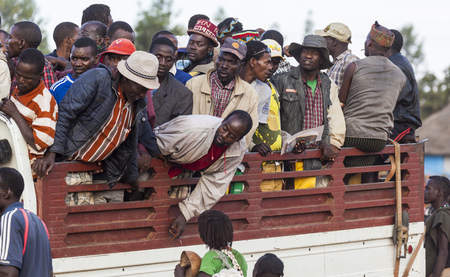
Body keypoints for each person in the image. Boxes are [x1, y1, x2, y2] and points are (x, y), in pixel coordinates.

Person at [33, 51, 161, 204]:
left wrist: (158, 155)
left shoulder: (137, 101)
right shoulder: (98, 79)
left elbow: (137, 134)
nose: (142, 94)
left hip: (97, 169)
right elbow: (65, 113)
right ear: (127, 78)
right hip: (70, 162)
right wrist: (52, 153)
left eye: (146, 90)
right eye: (140, 88)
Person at [160, 111, 252, 239]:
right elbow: (157, 138)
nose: (224, 135)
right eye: (224, 128)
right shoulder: (193, 128)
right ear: (223, 120)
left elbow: (215, 184)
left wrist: (185, 215)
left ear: (239, 139)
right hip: (160, 163)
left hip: (186, 171)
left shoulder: (238, 150)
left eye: (231, 136)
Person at [270, 35, 345, 189]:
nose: (309, 56)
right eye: (305, 51)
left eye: (314, 53)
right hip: (288, 158)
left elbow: (332, 118)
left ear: (322, 60)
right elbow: (272, 119)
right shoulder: (281, 81)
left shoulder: (327, 84)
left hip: (316, 158)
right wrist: (286, 144)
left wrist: (331, 143)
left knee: (311, 204)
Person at [339, 22, 405, 182]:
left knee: (335, 163)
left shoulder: (355, 66)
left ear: (369, 42)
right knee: (354, 167)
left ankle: (344, 182)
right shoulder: (400, 74)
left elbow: (340, 103)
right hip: (379, 140)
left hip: (351, 136)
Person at [187, 37, 258, 146]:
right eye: (222, 59)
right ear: (216, 60)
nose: (224, 66)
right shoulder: (193, 84)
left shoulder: (250, 93)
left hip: (227, 154)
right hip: (194, 148)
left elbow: (248, 133)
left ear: (241, 66)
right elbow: (184, 122)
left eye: (231, 62)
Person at [0, 49, 57, 167]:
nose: (20, 81)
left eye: (27, 78)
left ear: (40, 76)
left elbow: (39, 144)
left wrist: (14, 113)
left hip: (26, 166)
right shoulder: (19, 90)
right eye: (18, 74)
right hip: (12, 158)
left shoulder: (44, 102)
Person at [243, 40, 283, 192]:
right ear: (253, 62)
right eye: (267, 62)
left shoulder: (265, 90)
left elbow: (254, 127)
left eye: (274, 63)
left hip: (257, 161)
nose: (271, 68)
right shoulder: (230, 83)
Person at [0, 167, 52, 277]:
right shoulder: (38, 221)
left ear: (6, 193)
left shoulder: (9, 218)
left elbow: (9, 273)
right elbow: (49, 273)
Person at [385, 29, 422, 143]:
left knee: (370, 153)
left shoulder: (396, 65)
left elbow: (394, 96)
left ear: (388, 43)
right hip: (397, 121)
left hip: (401, 124)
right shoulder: (396, 61)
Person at [149, 37, 193, 127]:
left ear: (173, 61)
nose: (163, 63)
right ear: (149, 56)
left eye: (168, 60)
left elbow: (177, 132)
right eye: (158, 57)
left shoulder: (182, 94)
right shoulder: (133, 81)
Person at [6, 21, 57, 92]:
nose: (6, 41)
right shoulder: (12, 62)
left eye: (10, 37)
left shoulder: (42, 67)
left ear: (21, 43)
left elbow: (47, 99)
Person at [50, 37, 99, 104]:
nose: (78, 64)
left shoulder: (102, 85)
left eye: (84, 59)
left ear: (96, 59)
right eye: (74, 58)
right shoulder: (58, 89)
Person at [314, 22, 359, 89]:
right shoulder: (336, 63)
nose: (321, 43)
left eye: (324, 39)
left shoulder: (350, 61)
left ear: (334, 41)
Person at [424, 176, 450, 277]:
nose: (424, 191)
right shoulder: (439, 213)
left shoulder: (442, 215)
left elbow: (443, 253)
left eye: (428, 188)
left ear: (438, 192)